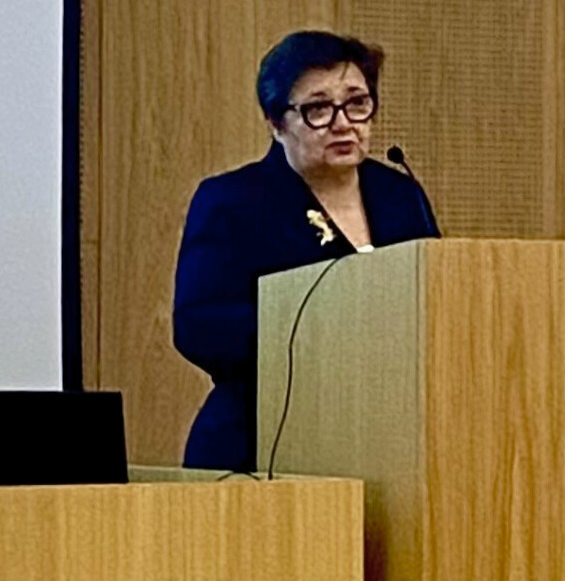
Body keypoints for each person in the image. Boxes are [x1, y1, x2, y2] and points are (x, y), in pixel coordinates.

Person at [171, 30, 439, 471]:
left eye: (357, 103)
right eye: (318, 109)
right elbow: (199, 326)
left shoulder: (400, 194)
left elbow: (433, 301)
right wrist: (321, 332)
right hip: (263, 439)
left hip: (385, 437)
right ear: (276, 122)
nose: (343, 122)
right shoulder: (234, 201)